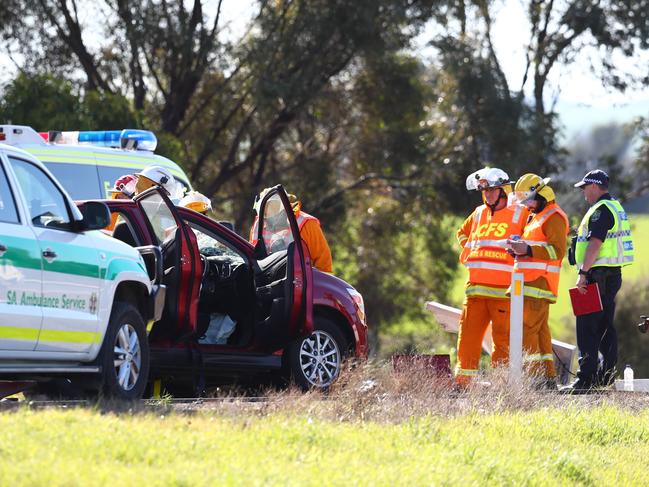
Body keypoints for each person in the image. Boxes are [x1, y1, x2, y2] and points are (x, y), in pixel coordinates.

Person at [562, 169, 634, 393]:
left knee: (587, 327)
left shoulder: (600, 211)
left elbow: (595, 243)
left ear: (594, 186)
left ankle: (585, 380)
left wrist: (583, 273)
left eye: (585, 187)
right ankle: (604, 377)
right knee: (604, 328)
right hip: (611, 276)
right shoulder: (615, 206)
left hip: (597, 275)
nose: (583, 192)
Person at [455, 167, 528, 386]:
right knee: (467, 339)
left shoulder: (520, 213)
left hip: (503, 292)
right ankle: (462, 384)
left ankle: (502, 385)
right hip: (475, 290)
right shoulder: (478, 213)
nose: (488, 195)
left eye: (492, 191)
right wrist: (468, 250)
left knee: (503, 342)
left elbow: (534, 238)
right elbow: (461, 233)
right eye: (485, 191)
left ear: (504, 190)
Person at [506, 174, 569, 389]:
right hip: (527, 282)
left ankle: (534, 380)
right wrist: (518, 250)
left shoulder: (554, 217)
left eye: (529, 200)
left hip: (539, 283)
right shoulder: (536, 216)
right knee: (540, 334)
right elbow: (535, 248)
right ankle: (548, 379)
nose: (526, 206)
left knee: (526, 331)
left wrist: (528, 249)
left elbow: (557, 251)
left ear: (541, 194)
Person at [250, 189, 333, 273]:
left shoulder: (306, 223)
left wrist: (317, 284)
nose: (269, 211)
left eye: (274, 206)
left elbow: (323, 264)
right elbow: (251, 255)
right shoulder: (257, 226)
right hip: (267, 282)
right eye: (265, 208)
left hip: (301, 283)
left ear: (285, 204)